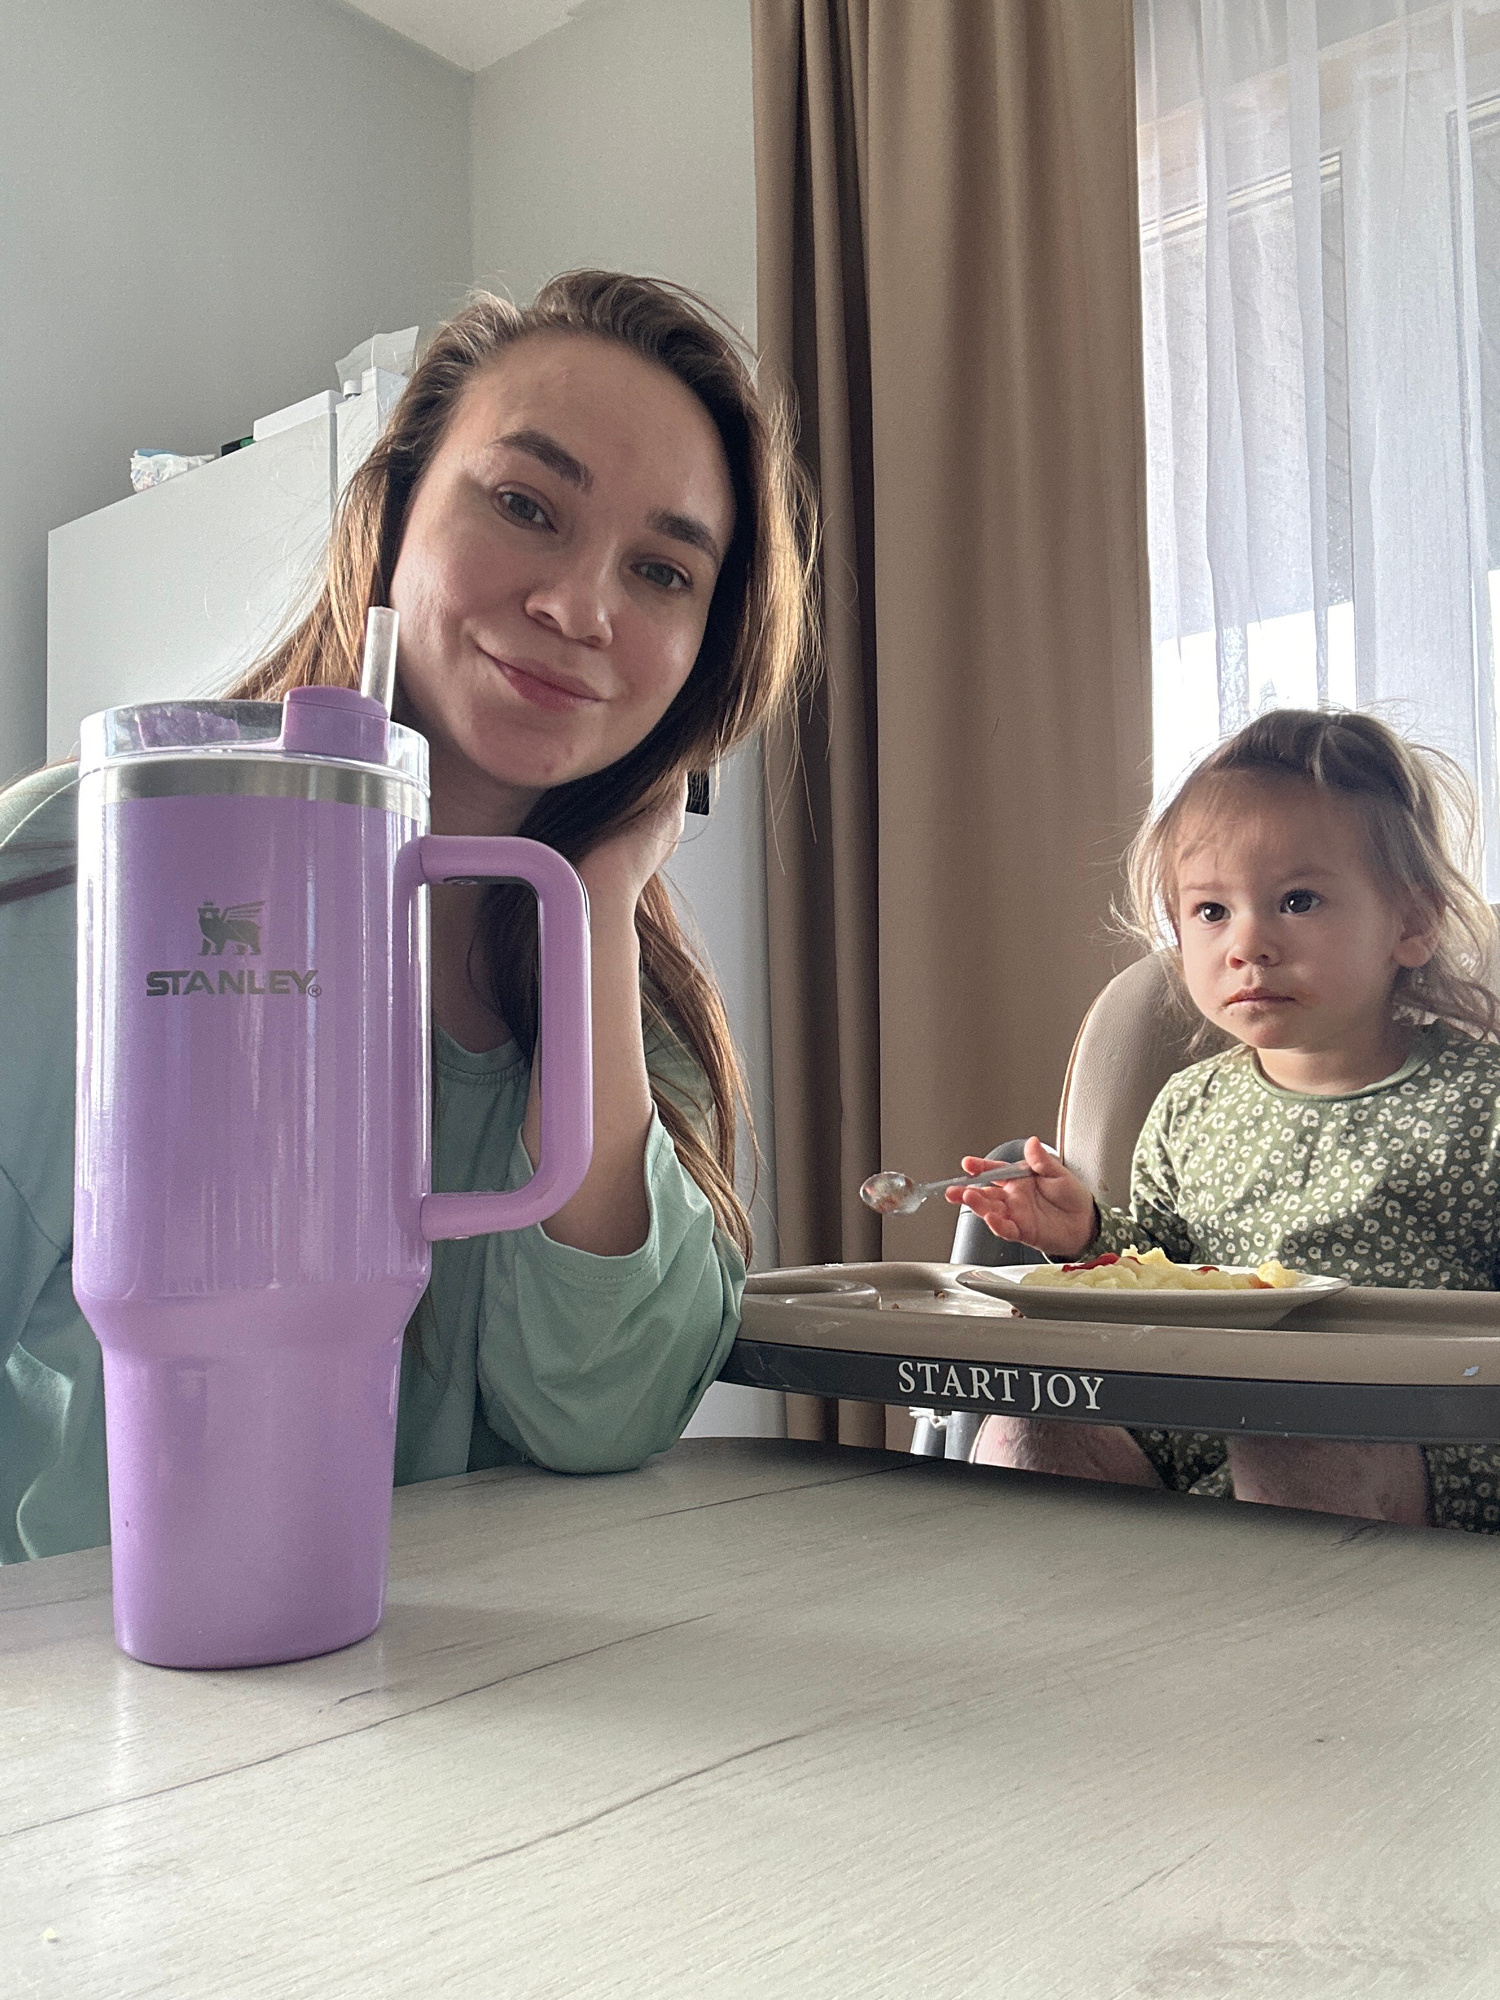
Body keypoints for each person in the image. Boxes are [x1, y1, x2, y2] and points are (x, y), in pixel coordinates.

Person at [0, 271, 816, 1562]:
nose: (581, 608)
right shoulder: (80, 870)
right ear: (391, 516)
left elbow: (603, 1408)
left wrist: (600, 902)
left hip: (490, 1683)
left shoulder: (625, 1006)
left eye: (663, 571)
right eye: (525, 505)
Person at [951, 707, 1500, 1531]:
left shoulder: (1482, 1102)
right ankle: (1075, 1611)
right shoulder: (1189, 1105)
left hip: (1414, 1440)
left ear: (1412, 924)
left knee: (1299, 1421)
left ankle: (1279, 1614)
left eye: (1298, 900)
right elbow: (1163, 1269)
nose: (1248, 944)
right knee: (1028, 1425)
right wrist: (1085, 1235)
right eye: (1211, 911)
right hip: (1193, 1427)